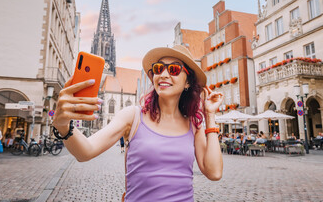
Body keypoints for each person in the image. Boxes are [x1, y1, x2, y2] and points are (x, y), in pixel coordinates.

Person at [52, 45, 224, 201]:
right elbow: (85, 152)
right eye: (158, 68)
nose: (163, 74)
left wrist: (209, 114)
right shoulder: (133, 116)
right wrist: (63, 126)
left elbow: (214, 172)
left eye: (173, 69)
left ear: (187, 82)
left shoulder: (194, 124)